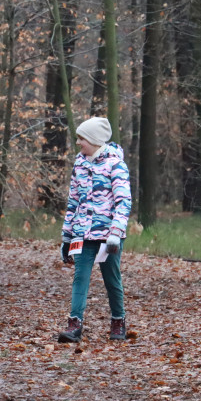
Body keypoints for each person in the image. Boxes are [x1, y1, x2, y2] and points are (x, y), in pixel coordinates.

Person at [58, 116, 132, 343]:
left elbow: (124, 202)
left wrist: (115, 234)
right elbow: (73, 203)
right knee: (80, 278)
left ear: (95, 140)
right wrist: (66, 237)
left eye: (82, 138)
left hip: (108, 237)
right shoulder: (79, 165)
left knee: (112, 279)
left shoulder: (116, 165)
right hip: (82, 234)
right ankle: (74, 325)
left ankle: (118, 322)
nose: (79, 142)